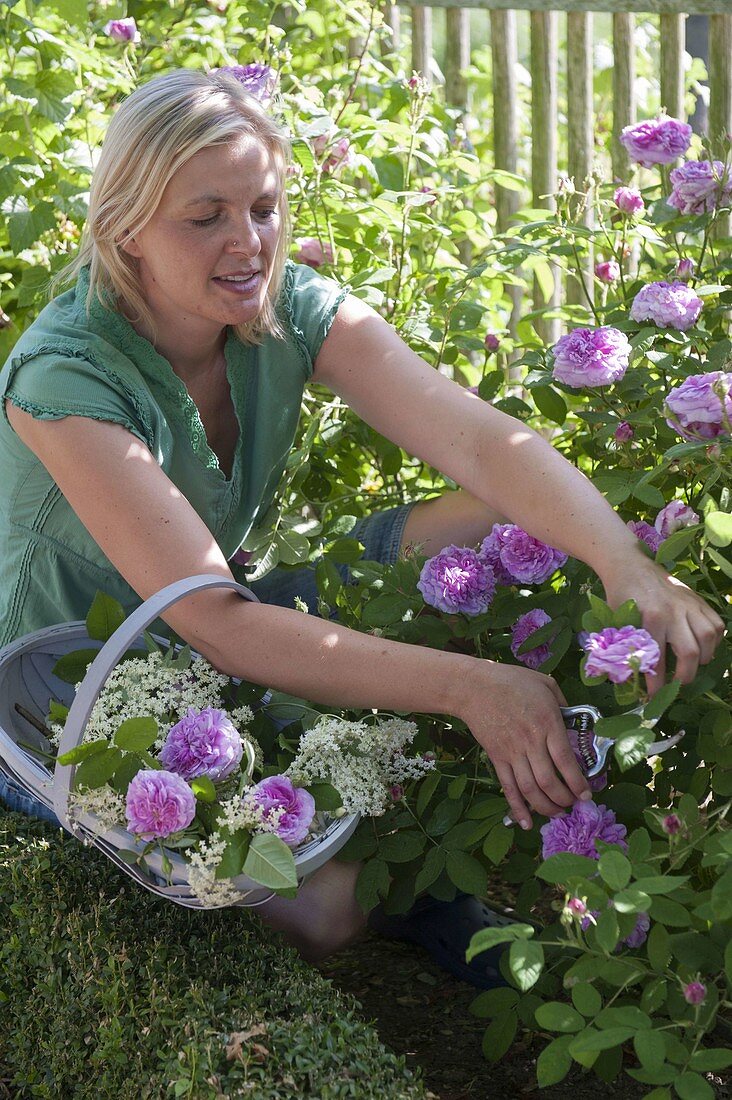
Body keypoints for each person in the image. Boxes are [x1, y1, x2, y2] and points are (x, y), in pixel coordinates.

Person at [0, 70, 723, 983]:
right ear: (124, 230)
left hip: (212, 636)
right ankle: (415, 874)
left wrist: (627, 566)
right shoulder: (65, 378)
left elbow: (488, 446)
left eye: (263, 207)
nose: (247, 242)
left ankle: (426, 834)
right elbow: (214, 619)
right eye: (205, 216)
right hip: (54, 699)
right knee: (333, 909)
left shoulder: (282, 309)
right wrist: (470, 688)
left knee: (519, 510)